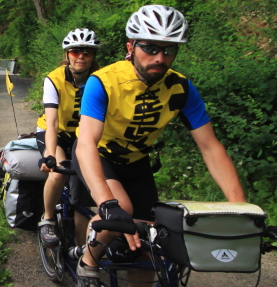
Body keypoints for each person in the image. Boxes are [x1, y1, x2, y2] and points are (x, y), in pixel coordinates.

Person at [71, 5, 248, 286]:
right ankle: (87, 262)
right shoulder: (103, 81)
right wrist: (107, 203)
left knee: (147, 251)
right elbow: (86, 144)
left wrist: (241, 209)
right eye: (151, 48)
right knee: (122, 210)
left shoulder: (181, 88)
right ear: (131, 46)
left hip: (138, 162)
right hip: (99, 155)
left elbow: (210, 147)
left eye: (169, 50)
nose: (160, 58)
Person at [35, 28, 101, 253]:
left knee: (85, 192)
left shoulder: (101, 80)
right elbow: (52, 123)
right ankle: (48, 218)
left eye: (87, 52)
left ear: (93, 55)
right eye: (75, 51)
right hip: (55, 132)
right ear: (67, 54)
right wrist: (51, 154)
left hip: (83, 135)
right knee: (59, 171)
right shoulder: (54, 79)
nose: (81, 56)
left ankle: (81, 251)